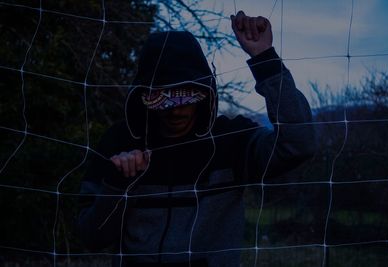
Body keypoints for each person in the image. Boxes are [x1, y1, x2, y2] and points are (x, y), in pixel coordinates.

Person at [78, 11, 316, 267]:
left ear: (206, 93)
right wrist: (117, 185)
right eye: (162, 97)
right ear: (143, 97)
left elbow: (299, 144)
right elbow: (91, 237)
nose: (176, 109)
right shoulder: (119, 141)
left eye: (187, 95)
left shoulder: (231, 140)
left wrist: (265, 59)